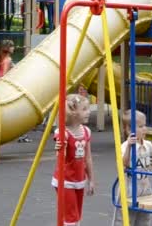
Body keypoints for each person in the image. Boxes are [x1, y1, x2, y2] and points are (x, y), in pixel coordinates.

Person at [113, 110, 152, 226]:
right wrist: (129, 147)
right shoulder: (125, 146)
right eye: (141, 126)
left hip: (145, 189)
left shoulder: (148, 145)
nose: (145, 129)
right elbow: (124, 164)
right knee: (125, 220)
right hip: (129, 190)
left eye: (145, 125)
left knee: (144, 220)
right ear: (128, 130)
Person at [51, 94, 95, 226]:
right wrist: (59, 149)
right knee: (71, 216)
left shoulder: (86, 131)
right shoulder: (63, 132)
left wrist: (91, 179)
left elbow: (88, 158)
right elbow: (60, 157)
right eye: (85, 109)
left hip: (80, 178)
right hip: (65, 180)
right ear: (74, 113)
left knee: (77, 215)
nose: (89, 111)